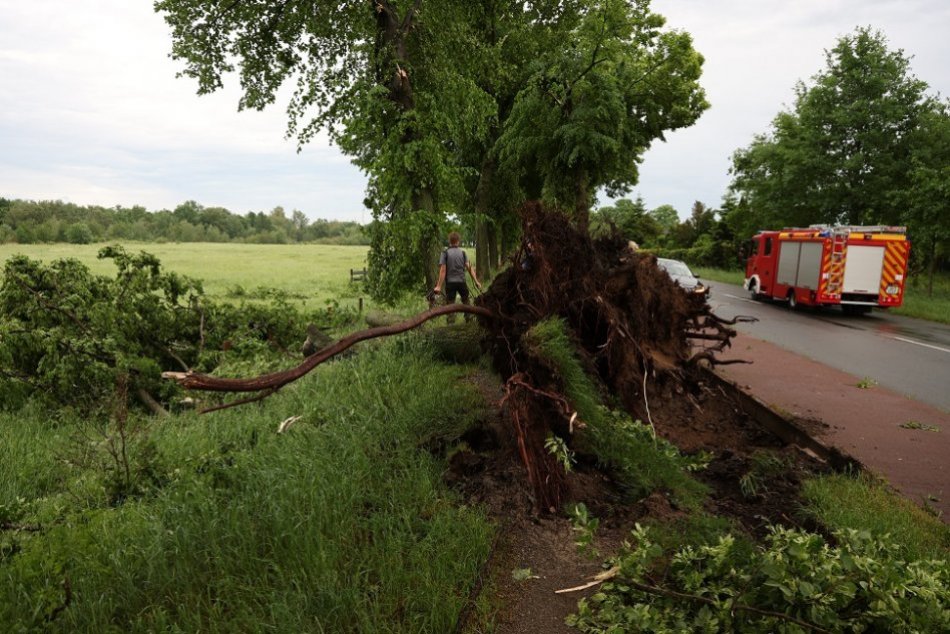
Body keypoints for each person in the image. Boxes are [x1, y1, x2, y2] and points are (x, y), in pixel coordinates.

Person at [433, 232, 481, 321]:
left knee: (450, 304)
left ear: (449, 241)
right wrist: (476, 281)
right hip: (461, 282)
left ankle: (451, 321)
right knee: (466, 301)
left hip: (450, 283)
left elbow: (443, 270)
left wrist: (438, 286)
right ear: (458, 241)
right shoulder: (463, 253)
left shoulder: (445, 253)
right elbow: (470, 268)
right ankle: (469, 319)